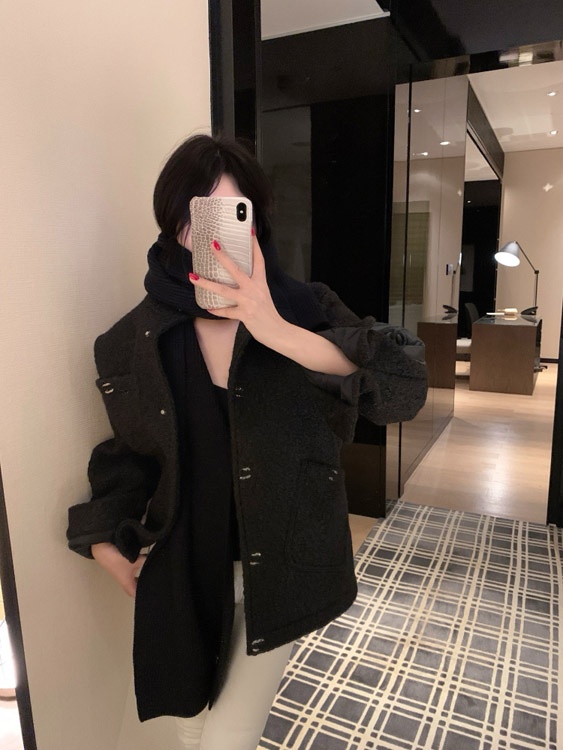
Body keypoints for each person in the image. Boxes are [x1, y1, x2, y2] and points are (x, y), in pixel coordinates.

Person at [66, 134, 427, 750]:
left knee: (225, 739)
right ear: (171, 224)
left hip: (283, 564)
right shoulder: (129, 341)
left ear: (254, 223)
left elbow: (402, 390)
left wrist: (271, 326)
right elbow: (131, 454)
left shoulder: (304, 308)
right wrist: (103, 540)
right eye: (195, 217)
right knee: (189, 727)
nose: (209, 239)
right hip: (182, 569)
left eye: (231, 215)